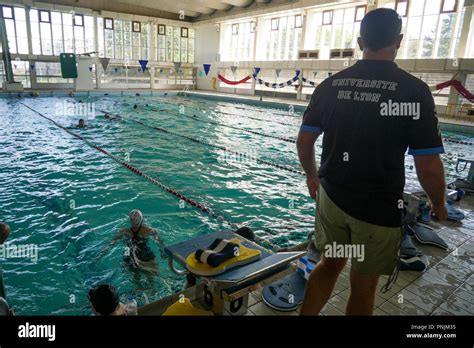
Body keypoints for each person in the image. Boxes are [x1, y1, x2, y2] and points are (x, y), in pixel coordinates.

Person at [297, 8, 448, 316]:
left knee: (328, 265)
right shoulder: (413, 91)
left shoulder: (331, 85)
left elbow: (304, 141)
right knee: (364, 284)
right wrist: (439, 203)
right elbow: (428, 165)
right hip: (377, 209)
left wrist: (312, 177)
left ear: (360, 40)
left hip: (332, 200)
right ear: (399, 40)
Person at [99, 210, 164, 274]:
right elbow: (160, 242)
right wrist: (162, 251)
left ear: (130, 220)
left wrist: (102, 252)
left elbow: (111, 243)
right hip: (145, 253)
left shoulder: (124, 231)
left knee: (135, 278)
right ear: (141, 219)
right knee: (151, 276)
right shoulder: (149, 230)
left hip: (130, 253)